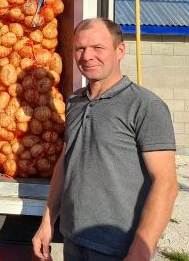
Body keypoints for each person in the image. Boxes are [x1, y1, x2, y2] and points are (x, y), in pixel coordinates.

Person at [32, 18, 178, 261]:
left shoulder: (145, 106)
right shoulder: (75, 102)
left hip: (117, 250)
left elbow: (166, 184)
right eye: (80, 48)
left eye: (98, 48)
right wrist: (47, 222)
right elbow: (66, 163)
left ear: (120, 50)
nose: (87, 56)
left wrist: (140, 252)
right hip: (74, 240)